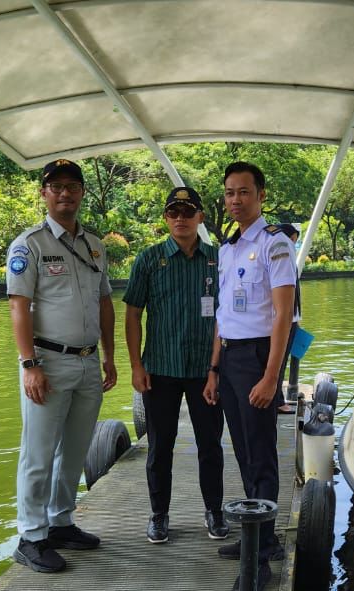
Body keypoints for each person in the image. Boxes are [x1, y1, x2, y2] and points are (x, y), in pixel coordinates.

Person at [6, 158, 118, 573]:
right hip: (47, 362)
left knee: (74, 450)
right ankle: (31, 536)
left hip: (89, 362)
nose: (65, 193)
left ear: (82, 192)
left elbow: (104, 303)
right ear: (44, 193)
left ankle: (61, 522)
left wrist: (109, 356)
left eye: (73, 186)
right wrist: (29, 363)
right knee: (37, 454)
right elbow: (19, 307)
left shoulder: (94, 244)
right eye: (57, 187)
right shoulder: (29, 244)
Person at [203, 161, 295, 587]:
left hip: (261, 356)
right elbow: (222, 314)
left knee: (261, 454)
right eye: (228, 193)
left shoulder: (276, 244)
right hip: (232, 359)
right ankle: (260, 535)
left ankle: (259, 556)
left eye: (243, 192)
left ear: (260, 195)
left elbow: (282, 315)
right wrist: (214, 369)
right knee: (243, 450)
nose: (234, 200)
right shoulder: (228, 248)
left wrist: (271, 377)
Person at [123, 186, 229, 545]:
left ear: (200, 217)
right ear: (166, 218)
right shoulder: (149, 259)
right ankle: (159, 515)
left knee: (211, 446)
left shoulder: (218, 260)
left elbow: (224, 319)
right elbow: (133, 314)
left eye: (188, 211)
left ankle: (214, 510)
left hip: (205, 371)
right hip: (160, 369)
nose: (180, 218)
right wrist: (136, 365)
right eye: (173, 212)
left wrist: (216, 369)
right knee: (159, 448)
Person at [273, 223, 302, 415]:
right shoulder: (283, 250)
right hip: (285, 319)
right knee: (280, 360)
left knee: (281, 360)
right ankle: (277, 400)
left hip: (290, 317)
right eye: (294, 239)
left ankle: (277, 398)